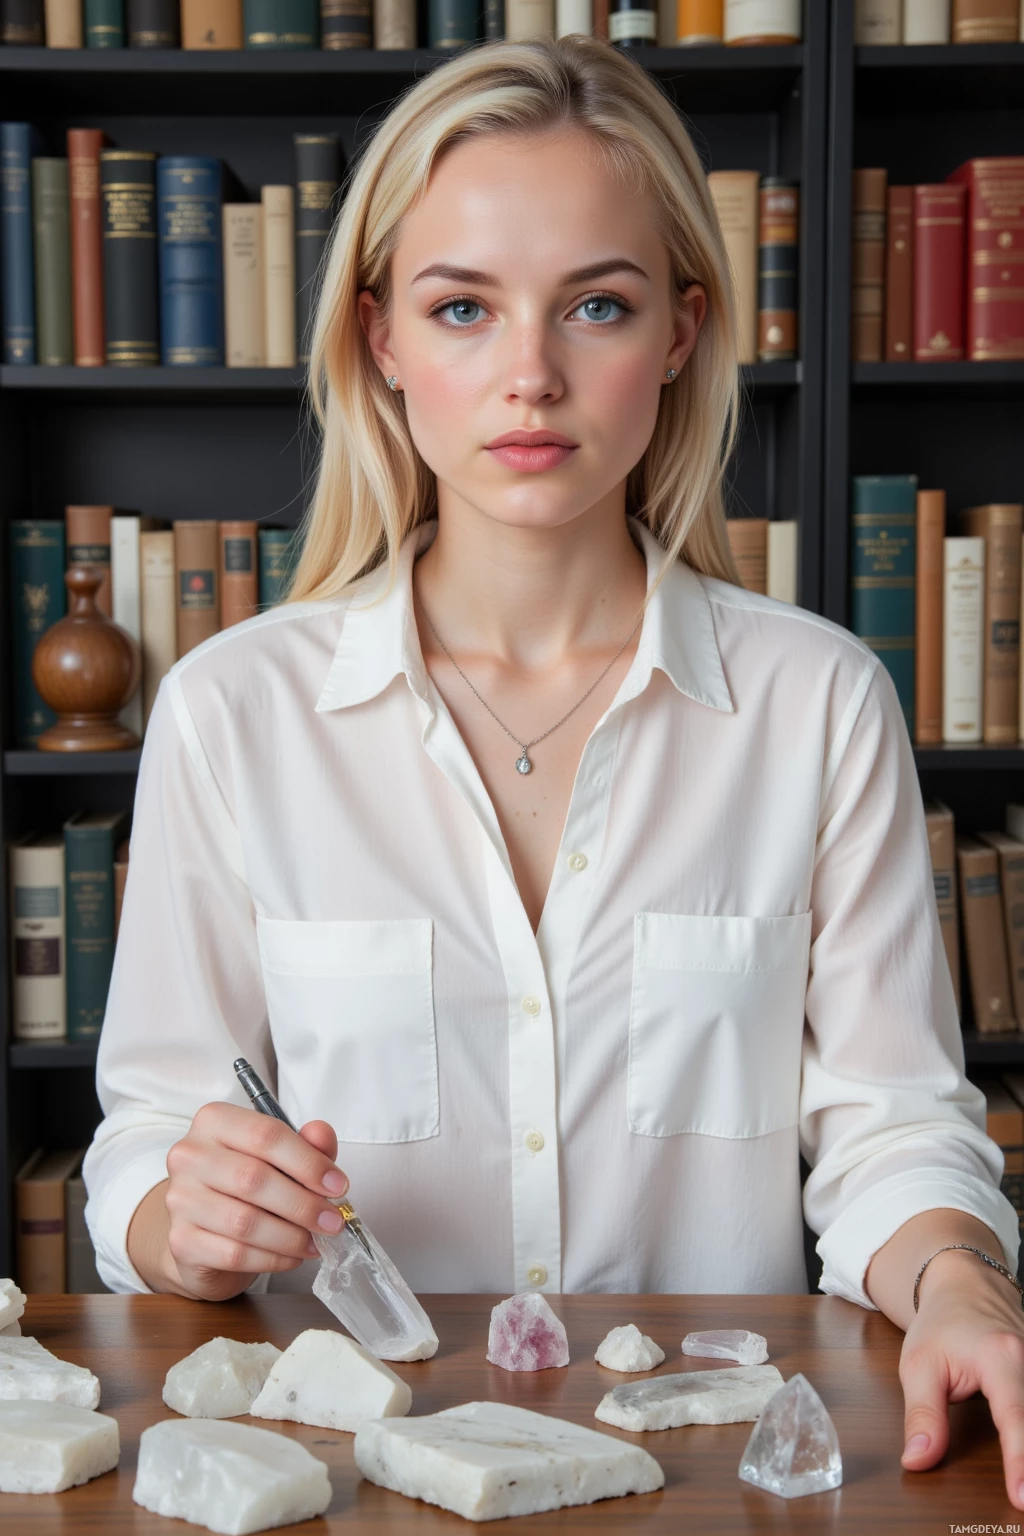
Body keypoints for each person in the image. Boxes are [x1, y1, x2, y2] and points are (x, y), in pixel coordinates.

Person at [83, 34, 1024, 1506]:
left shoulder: (818, 703)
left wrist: (964, 1282)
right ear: (383, 340)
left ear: (682, 334)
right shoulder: (235, 712)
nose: (529, 375)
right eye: (464, 308)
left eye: (596, 304)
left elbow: (889, 1130)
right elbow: (147, 1135)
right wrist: (174, 1217)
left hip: (707, 1475)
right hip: (349, 1473)